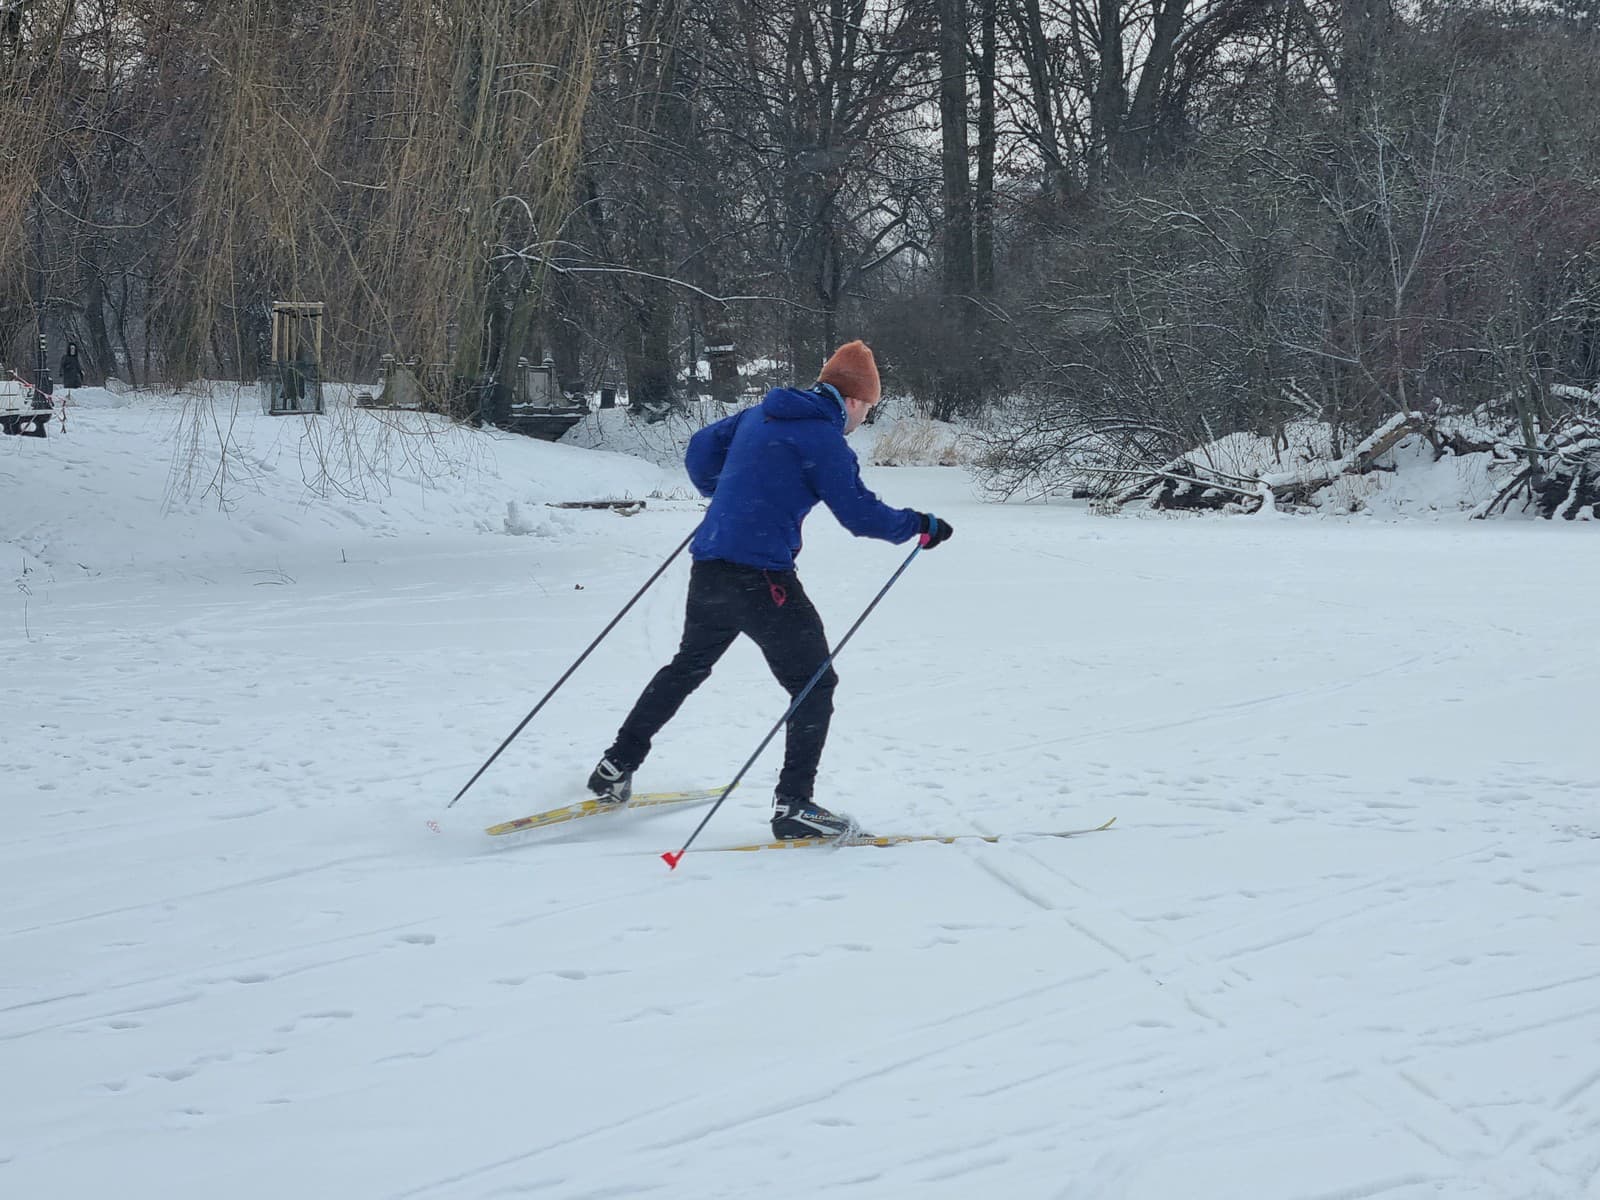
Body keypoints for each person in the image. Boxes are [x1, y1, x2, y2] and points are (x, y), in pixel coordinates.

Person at [586, 340, 953, 841]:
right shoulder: (824, 440)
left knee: (688, 665)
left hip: (710, 566)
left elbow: (700, 449)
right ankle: (794, 806)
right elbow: (861, 515)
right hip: (761, 578)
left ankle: (616, 764)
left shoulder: (760, 415)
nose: (865, 418)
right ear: (852, 399)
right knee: (814, 684)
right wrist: (921, 524)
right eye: (868, 408)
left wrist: (728, 489)